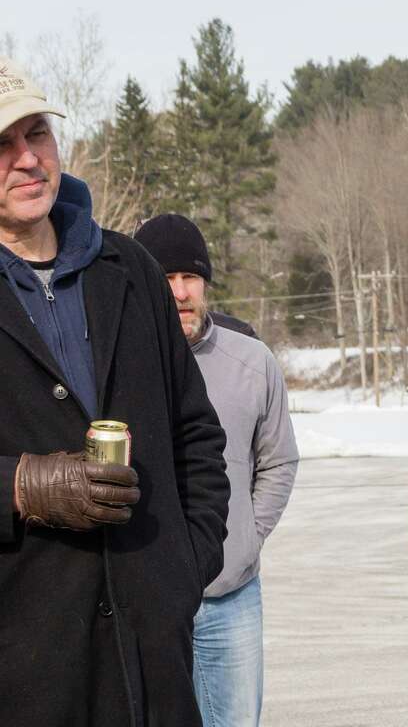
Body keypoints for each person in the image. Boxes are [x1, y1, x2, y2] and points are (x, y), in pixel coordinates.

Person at [0, 57, 230, 725]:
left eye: (37, 133)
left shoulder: (128, 266)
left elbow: (196, 433)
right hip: (24, 658)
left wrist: (184, 570)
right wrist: (20, 486)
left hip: (147, 647)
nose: (26, 159)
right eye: (2, 144)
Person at [135, 214, 300, 727]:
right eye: (165, 279)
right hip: (149, 600)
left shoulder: (251, 361)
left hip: (232, 598)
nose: (180, 292)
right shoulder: (121, 366)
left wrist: (247, 535)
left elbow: (278, 460)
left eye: (190, 277)